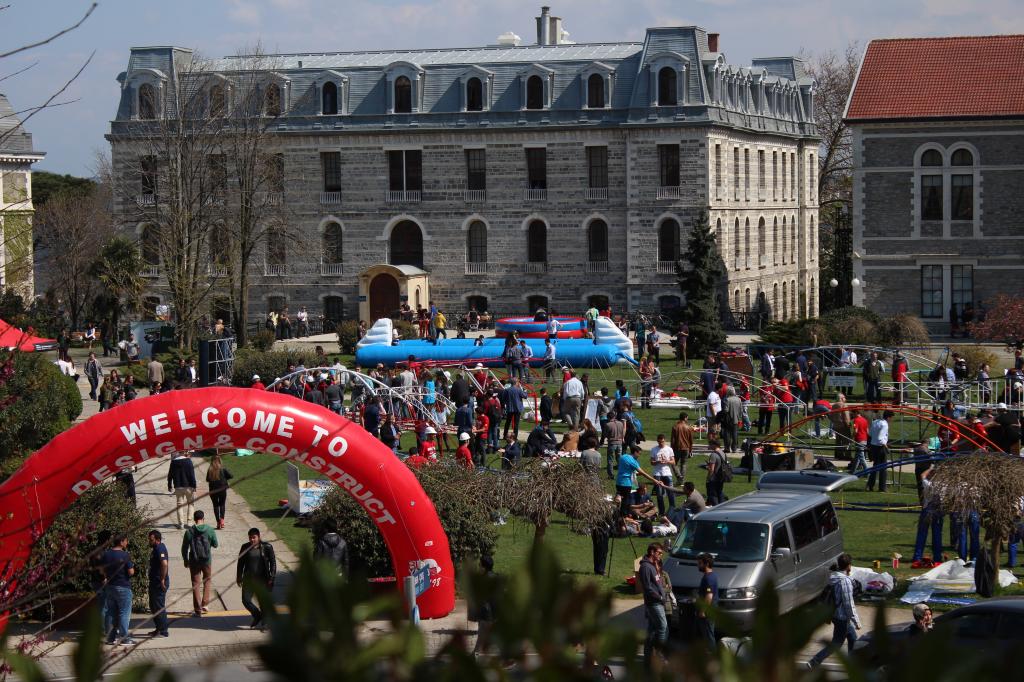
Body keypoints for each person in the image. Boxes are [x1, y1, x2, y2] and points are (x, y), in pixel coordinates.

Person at [808, 553, 861, 668]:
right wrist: (856, 621)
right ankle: (815, 661)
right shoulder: (844, 581)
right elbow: (848, 604)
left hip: (835, 615)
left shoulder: (834, 577)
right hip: (842, 617)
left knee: (852, 638)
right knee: (837, 643)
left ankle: (852, 664)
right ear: (849, 566)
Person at [236, 528, 277, 629]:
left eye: (254, 537)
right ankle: (257, 615)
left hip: (263, 579)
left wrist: (272, 577)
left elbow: (273, 563)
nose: (252, 540)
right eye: (250, 538)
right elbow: (240, 564)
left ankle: (265, 622)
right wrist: (239, 576)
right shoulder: (245, 547)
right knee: (246, 600)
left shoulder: (267, 547)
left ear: (259, 537)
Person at [182, 510, 219, 617]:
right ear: (203, 519)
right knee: (207, 580)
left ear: (194, 519)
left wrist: (185, 560)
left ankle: (198, 610)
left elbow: (184, 548)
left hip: (194, 561)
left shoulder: (189, 532)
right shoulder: (210, 530)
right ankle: (205, 604)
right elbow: (215, 544)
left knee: (195, 583)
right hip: (207, 560)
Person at [101, 534, 136, 646]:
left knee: (110, 612)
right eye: (126, 541)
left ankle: (110, 638)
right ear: (121, 542)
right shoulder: (125, 555)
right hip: (123, 586)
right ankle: (124, 638)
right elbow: (131, 572)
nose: (127, 543)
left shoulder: (106, 554)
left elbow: (103, 570)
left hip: (110, 586)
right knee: (124, 612)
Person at [638, 543, 668, 667]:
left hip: (658, 602)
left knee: (651, 630)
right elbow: (647, 588)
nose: (661, 555)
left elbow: (657, 582)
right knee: (663, 627)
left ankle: (648, 658)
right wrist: (660, 597)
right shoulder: (645, 567)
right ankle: (659, 654)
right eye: (659, 553)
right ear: (652, 552)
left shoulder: (652, 565)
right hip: (654, 603)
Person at [616, 445, 665, 516]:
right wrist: (655, 480)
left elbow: (627, 469)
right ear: (635, 452)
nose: (639, 455)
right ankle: (623, 517)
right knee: (626, 502)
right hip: (626, 483)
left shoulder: (623, 456)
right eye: (639, 453)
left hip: (618, 482)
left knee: (621, 499)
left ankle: (618, 511)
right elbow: (643, 473)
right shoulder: (632, 461)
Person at [147, 529, 170, 638]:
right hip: (154, 582)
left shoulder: (160, 548)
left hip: (158, 583)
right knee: (153, 606)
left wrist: (162, 579)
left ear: (157, 540)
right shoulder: (156, 548)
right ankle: (158, 629)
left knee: (159, 607)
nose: (149, 542)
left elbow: (164, 564)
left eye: (151, 540)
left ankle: (164, 631)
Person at [167, 452, 197, 529]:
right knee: (191, 504)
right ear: (185, 453)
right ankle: (189, 522)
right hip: (188, 486)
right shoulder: (188, 461)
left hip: (178, 486)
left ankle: (181, 524)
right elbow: (192, 474)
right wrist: (194, 485)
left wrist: (169, 485)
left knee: (179, 505)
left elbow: (170, 475)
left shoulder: (173, 462)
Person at [695, 552, 718, 653]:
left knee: (708, 635)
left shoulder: (709, 578)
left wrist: (703, 611)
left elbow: (709, 595)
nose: (698, 565)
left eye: (700, 563)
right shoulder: (710, 576)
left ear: (707, 564)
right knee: (706, 634)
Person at [867, 410, 894, 492]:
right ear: (888, 417)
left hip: (873, 446)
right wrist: (886, 447)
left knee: (875, 467)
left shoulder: (875, 422)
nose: (892, 420)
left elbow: (870, 434)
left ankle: (870, 485)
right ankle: (882, 487)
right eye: (892, 418)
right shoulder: (884, 424)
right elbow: (880, 439)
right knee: (883, 468)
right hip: (880, 448)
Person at [649, 435, 676, 515]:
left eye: (662, 442)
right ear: (657, 441)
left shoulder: (669, 449)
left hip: (667, 473)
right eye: (659, 442)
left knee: (670, 492)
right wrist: (658, 462)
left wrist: (667, 461)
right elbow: (652, 462)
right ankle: (662, 512)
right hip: (657, 473)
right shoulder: (654, 449)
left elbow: (673, 462)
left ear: (665, 441)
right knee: (659, 494)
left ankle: (672, 510)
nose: (661, 443)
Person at [206, 454, 233, 530]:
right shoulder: (223, 469)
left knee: (215, 505)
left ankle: (218, 522)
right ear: (220, 460)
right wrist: (225, 478)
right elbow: (231, 476)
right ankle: (222, 520)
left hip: (213, 490)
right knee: (222, 504)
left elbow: (207, 479)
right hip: (222, 489)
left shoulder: (210, 470)